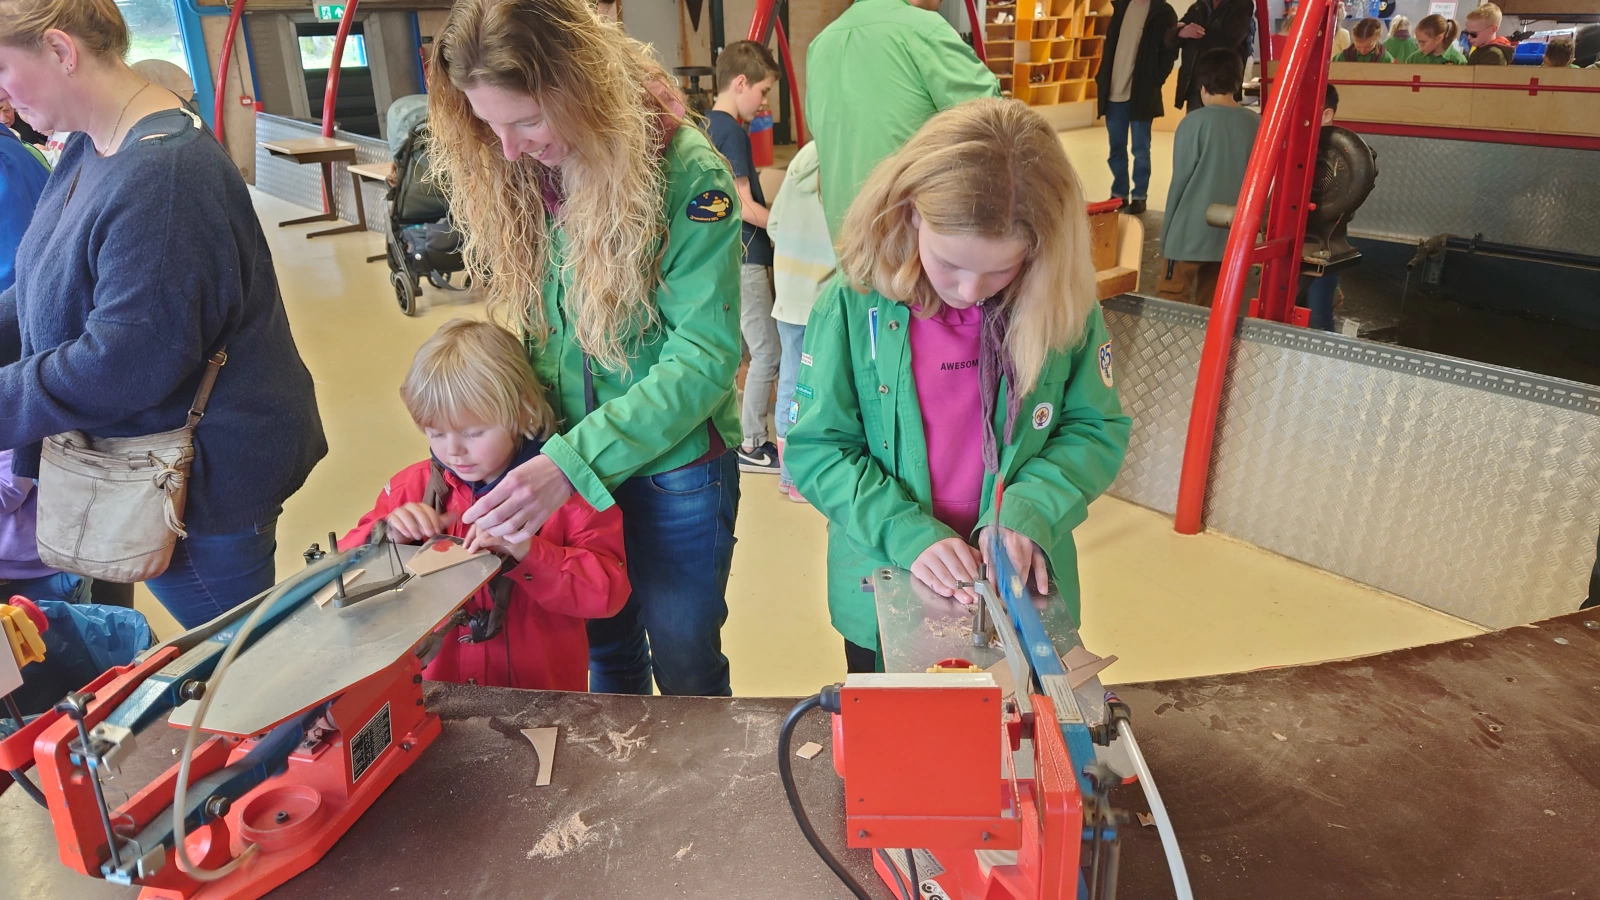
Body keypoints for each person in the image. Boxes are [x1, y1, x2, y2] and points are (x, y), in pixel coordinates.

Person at [428, 0, 743, 697]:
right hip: (559, 463)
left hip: (670, 472)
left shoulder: (685, 175)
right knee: (606, 656)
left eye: (528, 120)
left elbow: (704, 358)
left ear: (579, 89)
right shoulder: (524, 171)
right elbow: (544, 335)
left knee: (686, 663)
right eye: (490, 125)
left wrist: (569, 465)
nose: (509, 148)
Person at [0, 0, 326, 630]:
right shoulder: (95, 143)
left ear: (62, 51)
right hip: (159, 457)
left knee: (246, 657)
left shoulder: (164, 175)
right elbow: (43, 283)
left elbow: (122, 364)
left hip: (199, 482)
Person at [785, 99, 1131, 673]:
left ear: (1039, 250)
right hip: (884, 572)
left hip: (1016, 584)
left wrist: (1027, 512)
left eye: (1001, 271)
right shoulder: (851, 303)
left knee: (1022, 737)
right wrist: (906, 532)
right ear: (910, 212)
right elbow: (819, 447)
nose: (970, 291)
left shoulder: (1063, 306)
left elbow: (1096, 429)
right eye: (950, 264)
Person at [340, 320, 629, 691]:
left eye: (473, 433)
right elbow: (340, 581)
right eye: (435, 433)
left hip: (541, 700)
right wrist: (387, 538)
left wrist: (526, 550)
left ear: (522, 413)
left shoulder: (570, 493)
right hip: (436, 700)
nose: (453, 450)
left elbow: (607, 594)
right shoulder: (408, 488)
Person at [805, 0, 1000, 240]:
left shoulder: (821, 44)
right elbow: (996, 126)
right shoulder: (924, 31)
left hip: (848, 243)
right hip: (912, 246)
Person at [708, 41, 783, 476]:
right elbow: (740, 203)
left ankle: (730, 430)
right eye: (764, 91)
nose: (765, 102)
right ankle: (752, 442)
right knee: (767, 352)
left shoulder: (709, 126)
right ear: (740, 83)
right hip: (746, 256)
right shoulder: (732, 131)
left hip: (726, 256)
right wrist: (782, 222)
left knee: (734, 350)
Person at [1157, 48, 1260, 306]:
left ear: (1203, 87)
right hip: (1230, 236)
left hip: (1188, 232)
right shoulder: (1256, 124)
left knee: (1171, 303)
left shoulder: (1193, 123)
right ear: (1237, 84)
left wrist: (1167, 235)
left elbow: (1180, 181)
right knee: (1213, 307)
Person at [765, 139, 834, 504]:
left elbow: (774, 225)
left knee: (791, 384)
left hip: (788, 293)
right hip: (821, 298)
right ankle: (804, 481)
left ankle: (787, 475)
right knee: (819, 390)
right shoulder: (841, 161)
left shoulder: (802, 158)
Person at [1096, 0, 1180, 216]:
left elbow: (1170, 51)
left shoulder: (1163, 11)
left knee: (1141, 150)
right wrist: (1101, 77)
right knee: (1116, 148)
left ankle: (1140, 196)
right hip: (1114, 91)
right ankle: (1119, 194)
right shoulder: (1122, 6)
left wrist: (1156, 80)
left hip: (1141, 93)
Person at [1164, 0, 1255, 112]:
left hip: (1222, 85)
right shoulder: (1199, 6)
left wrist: (1190, 37)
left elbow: (1228, 40)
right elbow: (1169, 40)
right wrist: (1180, 32)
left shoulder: (1241, 4)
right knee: (1195, 127)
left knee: (1219, 126)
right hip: (1194, 85)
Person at [1301, 84, 1340, 331]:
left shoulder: (1340, 153)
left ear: (1326, 115)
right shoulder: (1297, 144)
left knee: (1317, 319)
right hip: (1293, 242)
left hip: (1324, 249)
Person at [1402, 14, 1467, 64]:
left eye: (1422, 42)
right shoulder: (1414, 58)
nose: (1419, 46)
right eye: (1418, 42)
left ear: (1439, 38)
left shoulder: (1458, 60)